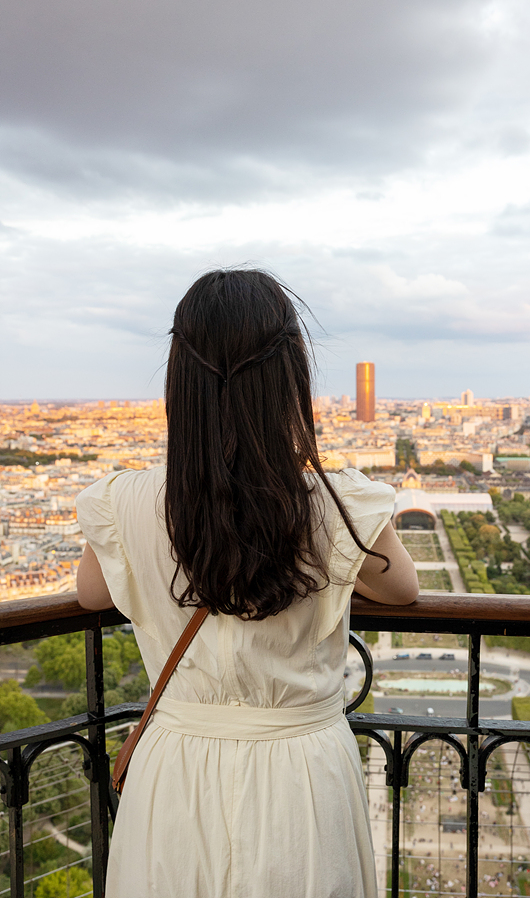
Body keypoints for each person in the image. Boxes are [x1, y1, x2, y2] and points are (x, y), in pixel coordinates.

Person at [76, 269, 418, 898]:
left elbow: (94, 595)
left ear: (180, 376)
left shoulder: (125, 500)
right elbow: (402, 590)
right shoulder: (334, 503)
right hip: (301, 773)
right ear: (290, 375)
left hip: (175, 765)